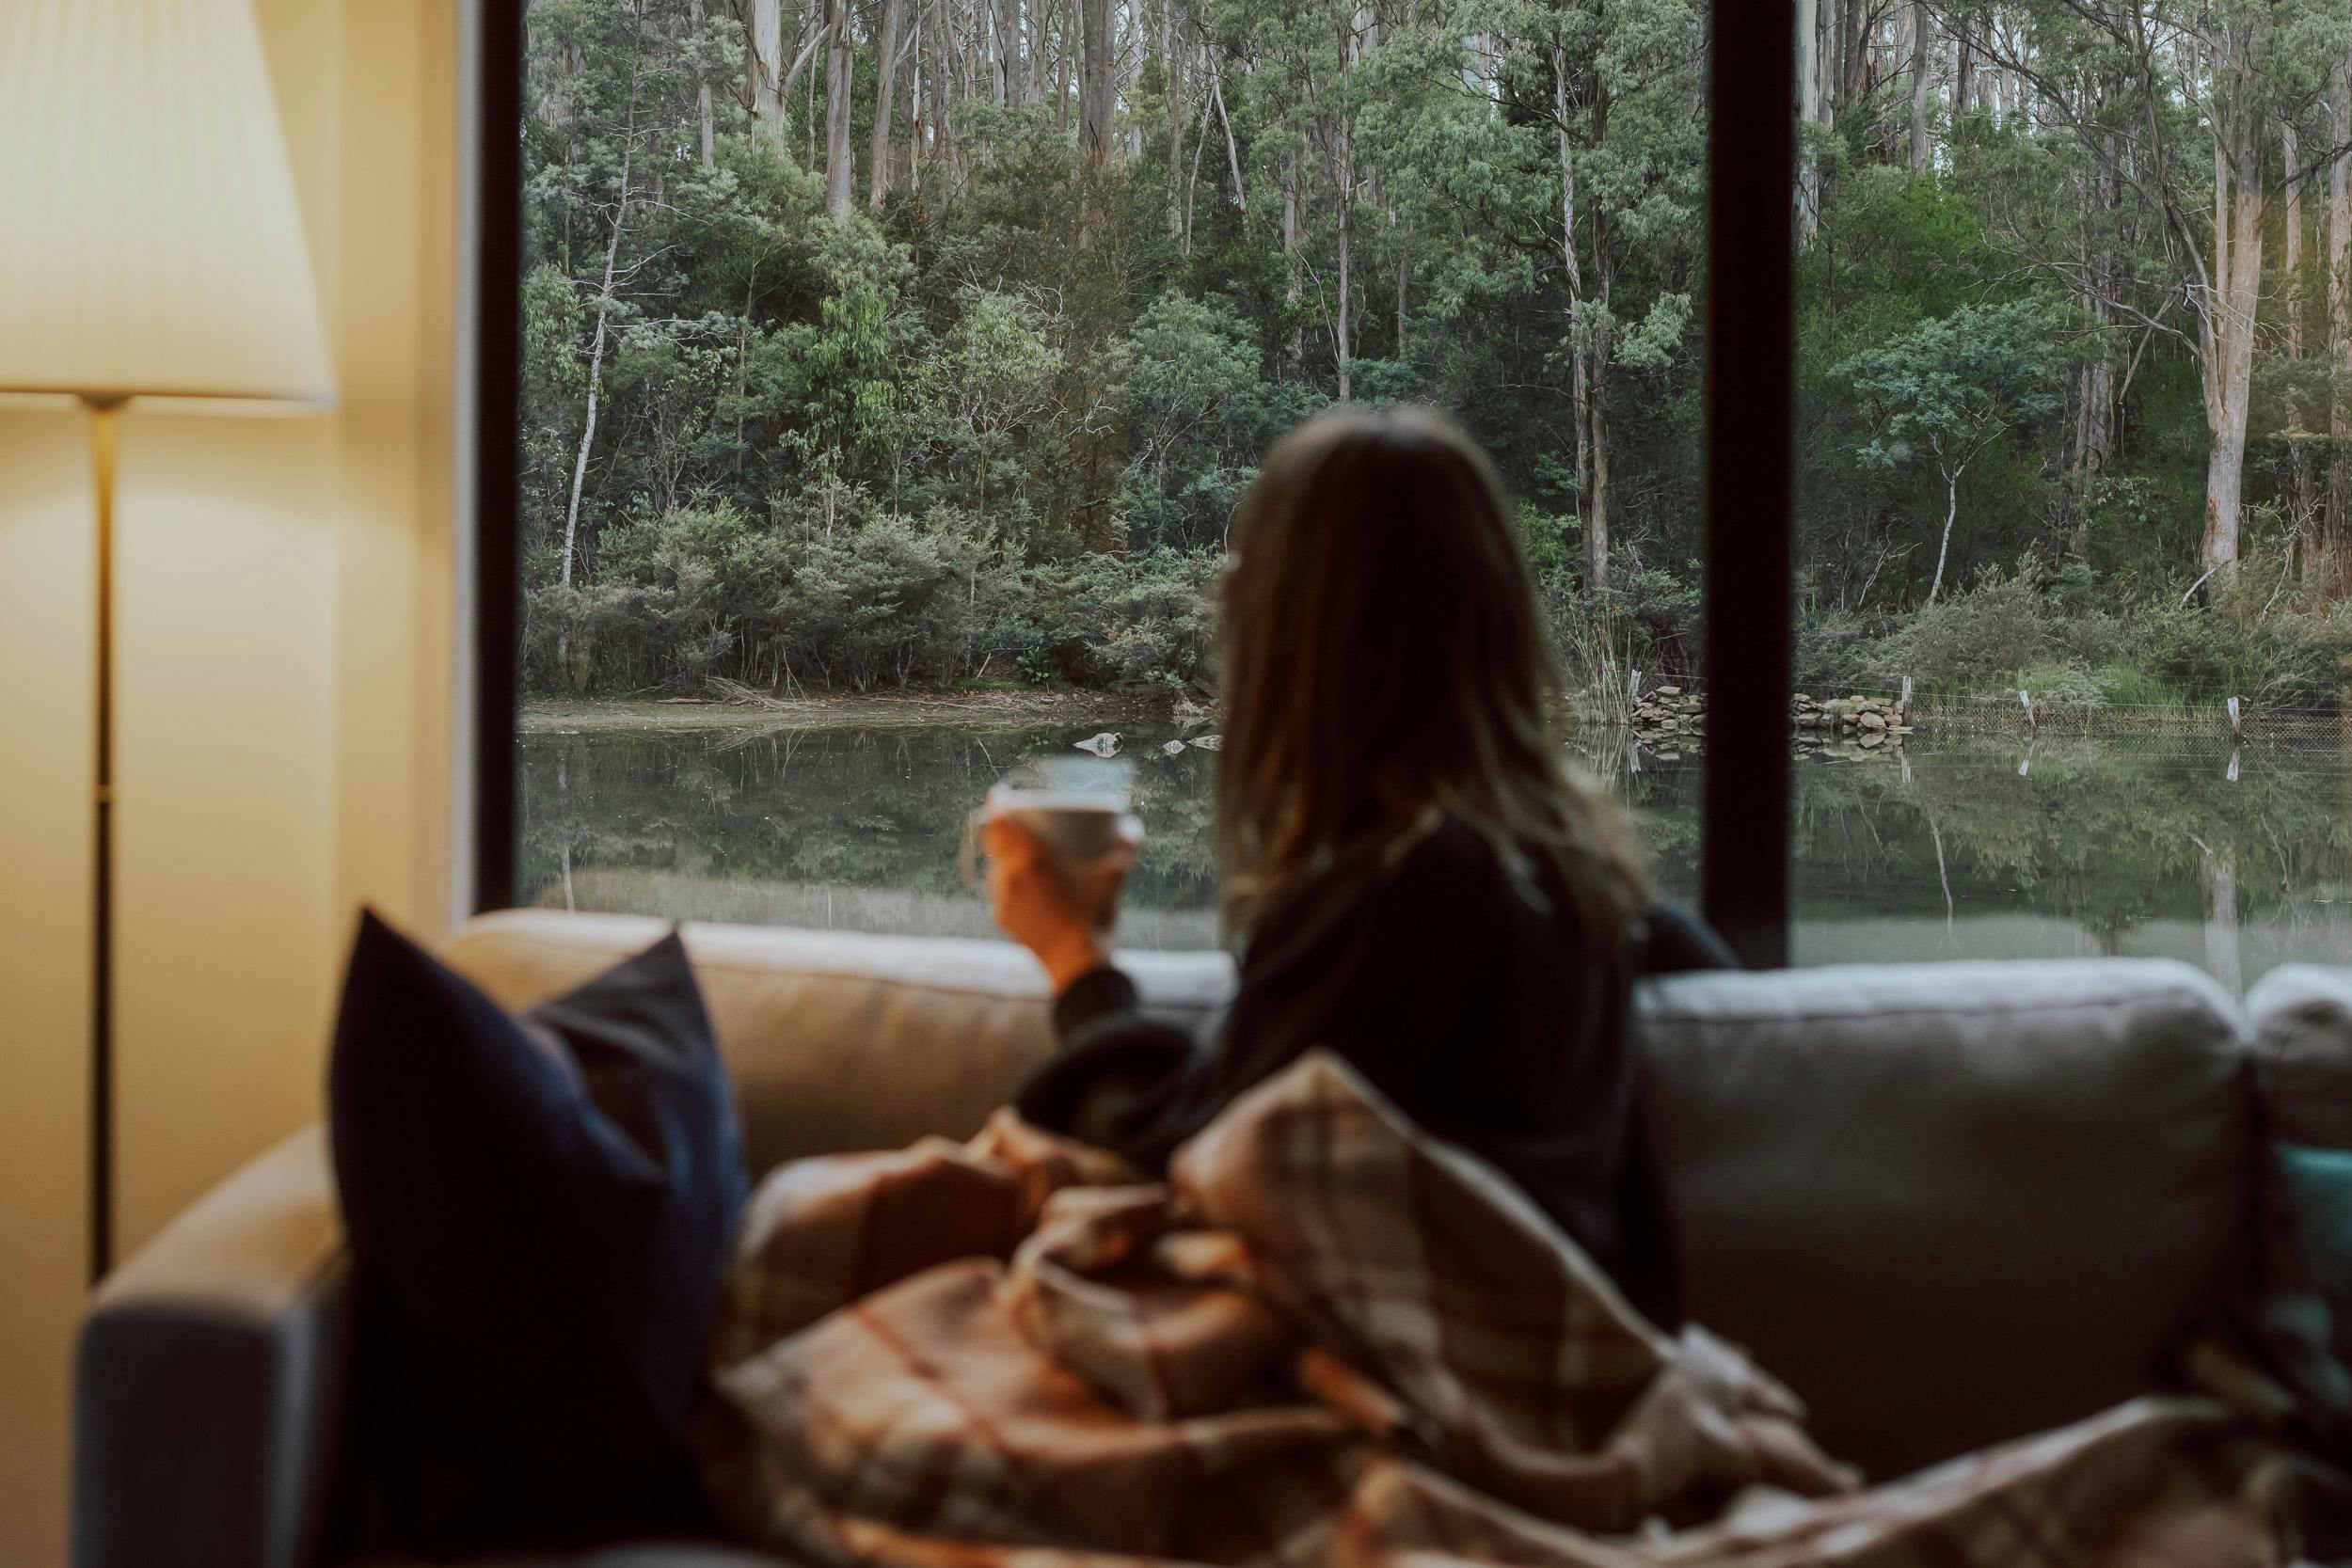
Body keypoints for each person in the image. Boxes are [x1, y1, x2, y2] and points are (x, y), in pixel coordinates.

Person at [984, 408, 1730, 1329]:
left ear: (1287, 638)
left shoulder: (1411, 893)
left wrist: (1073, 955)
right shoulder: (1580, 888)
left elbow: (1184, 1160)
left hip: (1434, 1374)